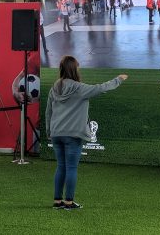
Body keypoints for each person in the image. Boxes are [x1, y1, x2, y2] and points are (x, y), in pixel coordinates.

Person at [46, 55, 128, 210]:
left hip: (56, 134)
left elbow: (48, 112)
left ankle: (57, 201)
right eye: (77, 67)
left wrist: (49, 131)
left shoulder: (54, 88)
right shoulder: (79, 88)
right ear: (73, 69)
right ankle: (69, 202)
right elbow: (100, 88)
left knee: (61, 166)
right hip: (73, 135)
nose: (79, 69)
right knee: (71, 168)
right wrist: (118, 79)